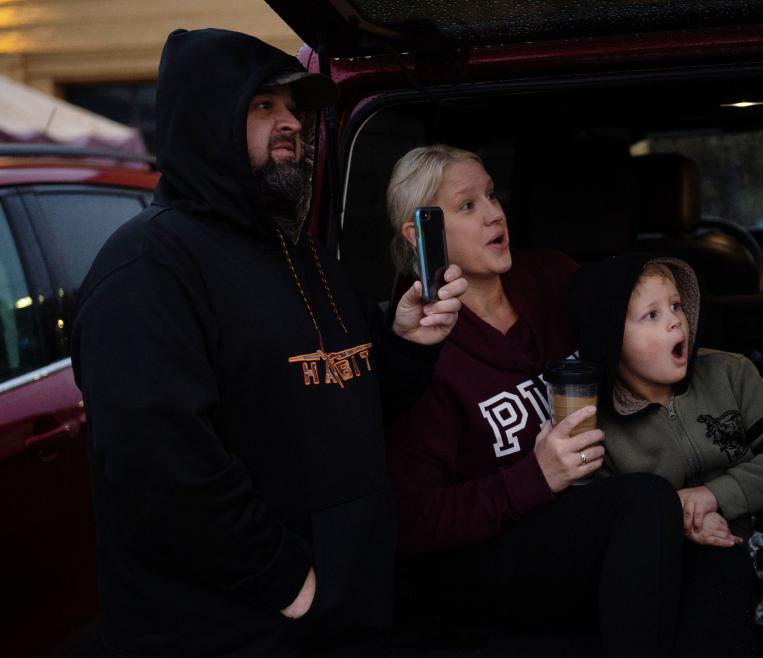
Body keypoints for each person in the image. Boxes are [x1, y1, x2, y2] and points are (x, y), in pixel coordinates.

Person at [71, 29, 466, 657]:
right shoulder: (149, 266)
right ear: (208, 120)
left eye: (293, 110)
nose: (290, 125)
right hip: (228, 628)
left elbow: (348, 405)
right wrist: (287, 581)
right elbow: (160, 466)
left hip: (339, 611)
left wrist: (406, 343)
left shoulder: (302, 251)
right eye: (262, 107)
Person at [385, 145, 693, 657]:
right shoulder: (417, 346)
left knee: (712, 551)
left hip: (582, 514)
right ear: (422, 236)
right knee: (647, 501)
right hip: (485, 557)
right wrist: (535, 478)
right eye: (468, 206)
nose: (494, 212)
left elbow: (652, 320)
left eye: (492, 194)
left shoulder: (550, 277)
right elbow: (413, 521)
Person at [574, 254, 763, 654]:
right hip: (695, 552)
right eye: (650, 316)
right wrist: (683, 521)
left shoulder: (729, 372)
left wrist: (712, 496)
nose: (675, 321)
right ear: (610, 339)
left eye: (675, 306)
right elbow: (617, 526)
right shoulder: (600, 427)